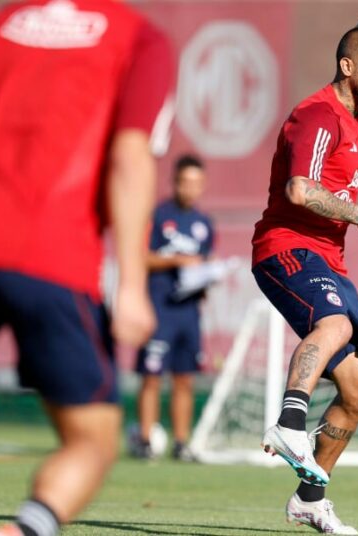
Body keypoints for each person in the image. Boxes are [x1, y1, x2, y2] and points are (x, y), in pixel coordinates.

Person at [0, 1, 174, 535]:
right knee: (93, 439)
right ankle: (26, 530)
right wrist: (134, 284)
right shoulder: (139, 39)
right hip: (49, 255)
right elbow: (130, 155)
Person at [251, 14, 358, 536]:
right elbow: (298, 190)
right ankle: (291, 423)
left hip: (328, 260)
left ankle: (310, 498)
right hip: (286, 249)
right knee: (332, 321)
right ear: (346, 64)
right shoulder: (318, 113)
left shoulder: (356, 123)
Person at [131, 155, 214, 461]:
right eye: (185, 181)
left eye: (196, 183)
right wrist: (177, 259)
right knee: (152, 376)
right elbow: (143, 257)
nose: (190, 188)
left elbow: (202, 264)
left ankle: (181, 443)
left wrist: (206, 277)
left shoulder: (203, 224)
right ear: (175, 181)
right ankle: (144, 439)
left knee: (184, 378)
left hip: (188, 312)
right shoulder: (157, 216)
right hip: (159, 308)